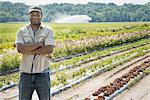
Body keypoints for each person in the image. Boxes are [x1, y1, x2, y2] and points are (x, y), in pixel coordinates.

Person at [15, 6, 55, 100]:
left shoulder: (48, 30)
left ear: (42, 16)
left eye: (37, 14)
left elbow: (49, 49)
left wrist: (28, 49)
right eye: (32, 14)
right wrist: (39, 44)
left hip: (43, 74)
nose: (35, 16)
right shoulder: (21, 31)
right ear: (29, 16)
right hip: (25, 75)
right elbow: (20, 48)